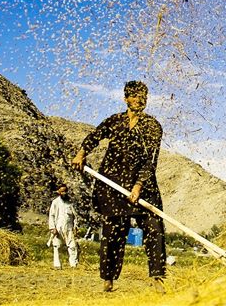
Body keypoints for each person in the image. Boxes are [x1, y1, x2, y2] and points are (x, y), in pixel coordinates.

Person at [71, 80, 166, 293]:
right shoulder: (115, 121)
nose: (140, 100)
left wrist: (138, 186)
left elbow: (151, 160)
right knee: (113, 231)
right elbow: (95, 136)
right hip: (113, 183)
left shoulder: (152, 126)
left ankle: (157, 277)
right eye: (135, 96)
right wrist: (81, 154)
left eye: (143, 96)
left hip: (144, 186)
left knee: (154, 227)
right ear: (126, 99)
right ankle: (108, 278)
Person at [48, 183, 79, 269]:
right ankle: (57, 265)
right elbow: (52, 215)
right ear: (59, 192)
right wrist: (52, 228)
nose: (64, 193)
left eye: (65, 191)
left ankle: (73, 265)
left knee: (72, 246)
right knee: (57, 246)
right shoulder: (55, 202)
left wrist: (75, 227)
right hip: (58, 227)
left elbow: (75, 216)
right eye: (62, 191)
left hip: (69, 228)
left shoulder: (70, 203)